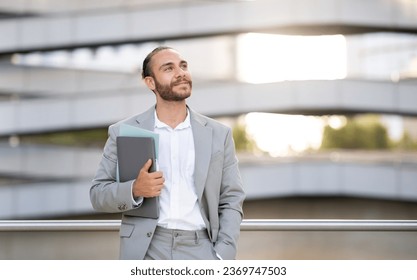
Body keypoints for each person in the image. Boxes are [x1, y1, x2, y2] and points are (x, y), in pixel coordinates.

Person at [90, 46, 246, 260]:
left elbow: (232, 197)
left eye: (183, 66)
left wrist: (223, 254)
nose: (181, 72)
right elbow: (98, 194)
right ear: (150, 82)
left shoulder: (219, 134)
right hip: (147, 249)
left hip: (202, 249)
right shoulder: (124, 132)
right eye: (168, 68)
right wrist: (134, 189)